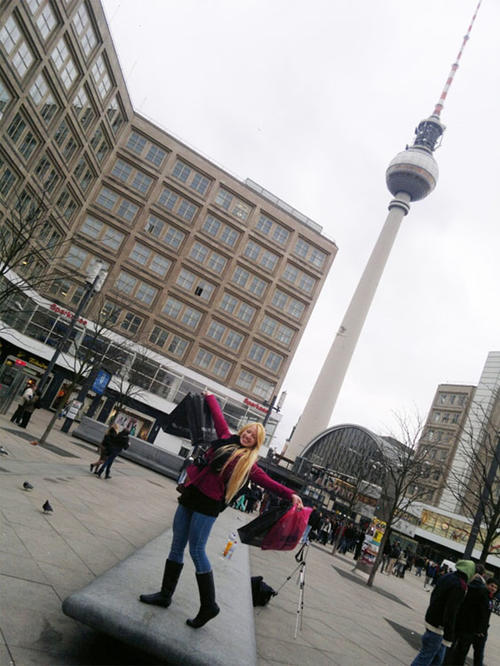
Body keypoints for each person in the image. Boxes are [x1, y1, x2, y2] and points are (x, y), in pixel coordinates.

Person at [139, 391, 303, 628]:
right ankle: (165, 594)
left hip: (207, 506)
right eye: (247, 431)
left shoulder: (249, 464)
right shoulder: (225, 438)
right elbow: (218, 418)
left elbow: (270, 483)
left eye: (253, 436)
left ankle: (209, 605)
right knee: (176, 545)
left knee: (196, 550)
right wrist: (210, 397)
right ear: (243, 430)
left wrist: (291, 494)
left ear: (256, 443)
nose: (247, 436)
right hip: (190, 495)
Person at [411, 559, 475, 666]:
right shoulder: (460, 586)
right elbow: (451, 610)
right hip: (439, 626)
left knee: (437, 659)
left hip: (432, 619)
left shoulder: (448, 576)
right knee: (426, 657)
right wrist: (449, 634)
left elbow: (434, 595)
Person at [443, 568, 495, 666]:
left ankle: (445, 663)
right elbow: (483, 614)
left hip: (459, 621)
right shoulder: (483, 592)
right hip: (471, 627)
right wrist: (481, 629)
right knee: (463, 651)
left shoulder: (466, 586)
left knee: (451, 645)